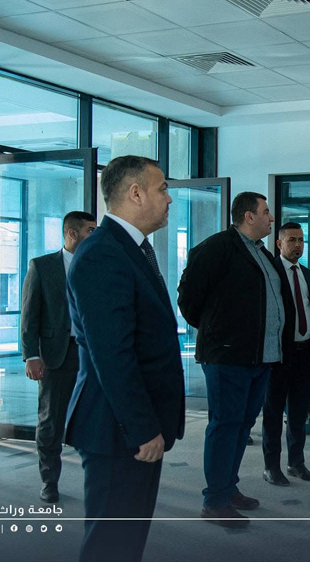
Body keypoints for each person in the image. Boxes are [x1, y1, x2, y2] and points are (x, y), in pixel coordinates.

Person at [64, 156, 185, 562]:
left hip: (132, 425)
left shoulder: (131, 248)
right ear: (136, 193)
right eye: (163, 188)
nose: (169, 199)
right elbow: (112, 355)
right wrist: (142, 428)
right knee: (111, 543)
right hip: (118, 430)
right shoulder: (103, 254)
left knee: (128, 539)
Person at [177, 191, 290, 529]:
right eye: (266, 212)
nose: (272, 218)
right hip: (228, 357)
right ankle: (214, 502)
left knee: (241, 427)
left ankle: (228, 488)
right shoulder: (217, 248)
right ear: (248, 216)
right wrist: (218, 332)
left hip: (260, 357)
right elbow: (189, 298)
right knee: (225, 426)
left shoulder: (261, 253)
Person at [20, 211, 96, 504]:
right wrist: (31, 356)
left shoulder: (96, 265)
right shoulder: (42, 266)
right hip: (56, 355)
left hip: (91, 355)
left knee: (93, 417)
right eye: (90, 230)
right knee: (51, 421)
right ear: (72, 234)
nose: (95, 235)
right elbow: (30, 315)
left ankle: (97, 479)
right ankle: (49, 481)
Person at [261, 222, 310, 486]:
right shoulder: (270, 272)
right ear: (279, 244)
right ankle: (271, 467)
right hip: (279, 356)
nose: (298, 245)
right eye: (292, 240)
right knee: (273, 413)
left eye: (301, 240)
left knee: (299, 413)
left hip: (304, 354)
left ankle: (296, 463)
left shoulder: (306, 273)